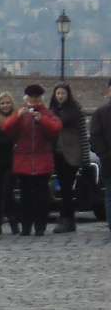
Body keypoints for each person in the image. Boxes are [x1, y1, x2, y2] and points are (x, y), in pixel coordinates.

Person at [0, 84, 61, 236]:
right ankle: (26, 226)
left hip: (42, 161)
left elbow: (56, 128)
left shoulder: (47, 113)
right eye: (31, 98)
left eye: (36, 98)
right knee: (25, 196)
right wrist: (17, 117)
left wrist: (42, 120)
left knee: (41, 197)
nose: (34, 100)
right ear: (27, 98)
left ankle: (40, 226)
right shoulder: (20, 113)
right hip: (23, 162)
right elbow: (5, 128)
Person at [49, 83, 86, 233]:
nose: (60, 96)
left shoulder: (75, 110)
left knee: (66, 186)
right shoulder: (51, 110)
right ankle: (68, 219)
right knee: (64, 187)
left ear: (68, 94)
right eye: (58, 93)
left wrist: (85, 156)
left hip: (71, 152)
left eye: (63, 93)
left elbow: (83, 134)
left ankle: (65, 218)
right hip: (56, 152)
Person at [0, 92, 20, 234]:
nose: (5, 106)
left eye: (8, 103)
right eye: (2, 103)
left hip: (12, 160)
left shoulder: (17, 119)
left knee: (8, 191)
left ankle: (13, 219)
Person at [90, 80, 111, 234]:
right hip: (109, 160)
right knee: (110, 195)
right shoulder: (101, 113)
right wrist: (105, 156)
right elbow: (95, 137)